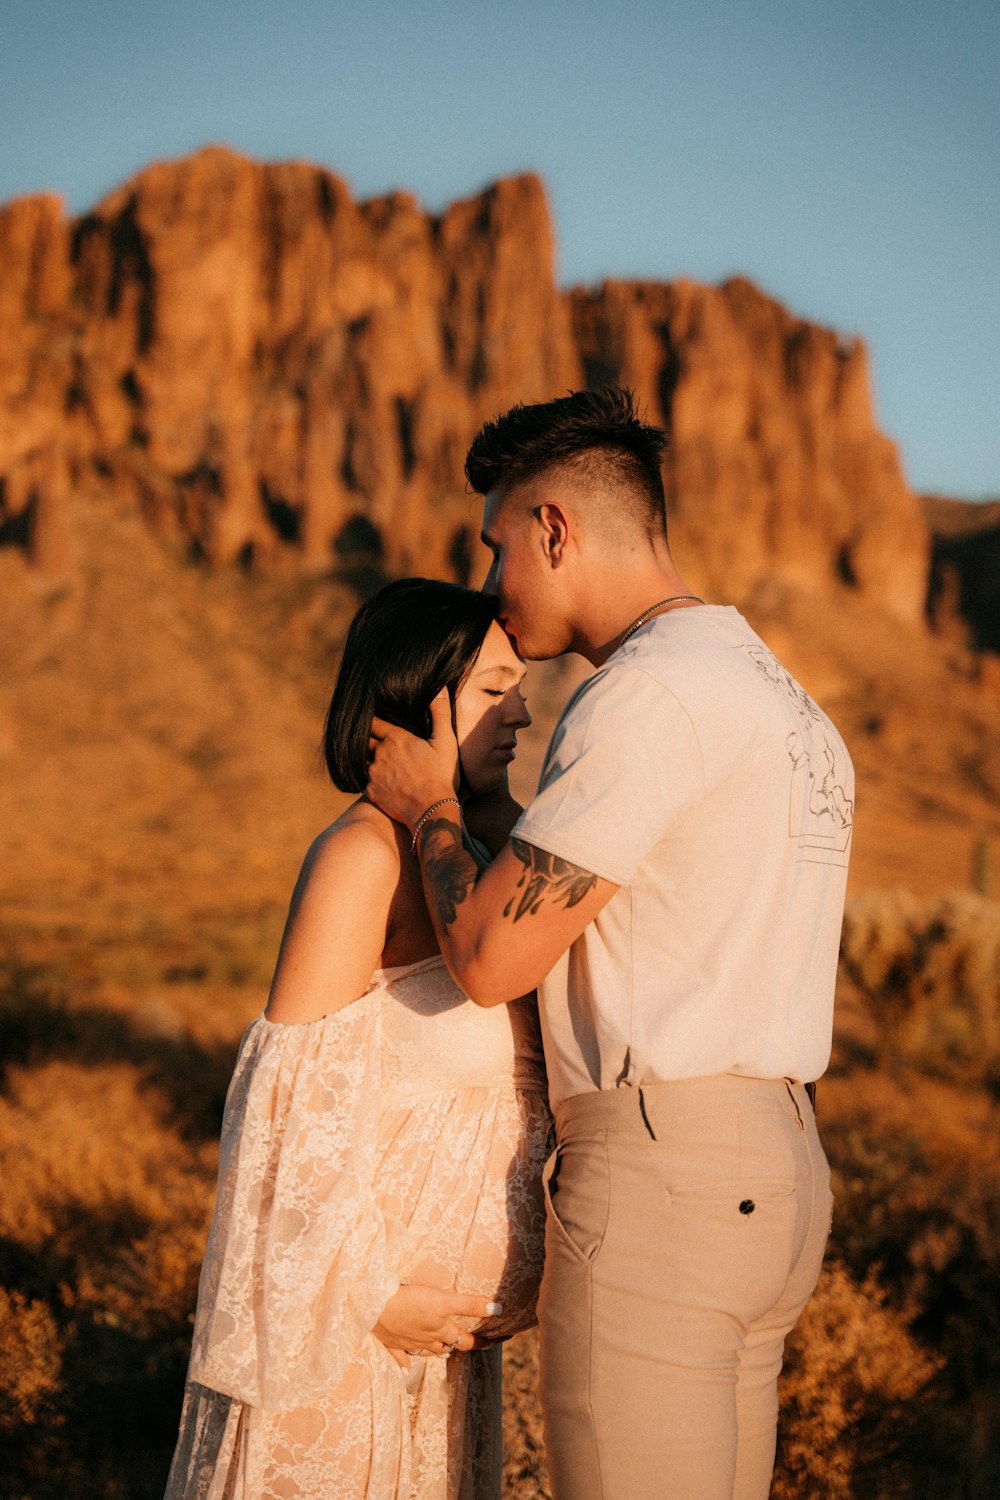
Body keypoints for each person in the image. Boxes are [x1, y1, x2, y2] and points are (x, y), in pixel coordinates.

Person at [366, 388, 855, 1500]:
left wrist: (434, 809)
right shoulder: (782, 702)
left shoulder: (647, 698)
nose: (494, 588)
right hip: (774, 1170)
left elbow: (492, 958)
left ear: (554, 528)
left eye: (498, 549)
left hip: (660, 1185)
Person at [164, 578, 551, 1500]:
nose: (524, 708)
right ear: (422, 704)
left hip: (442, 1366)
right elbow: (281, 1117)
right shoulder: (361, 860)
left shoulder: (482, 871)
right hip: (349, 1348)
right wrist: (376, 1296)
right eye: (495, 687)